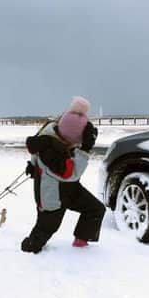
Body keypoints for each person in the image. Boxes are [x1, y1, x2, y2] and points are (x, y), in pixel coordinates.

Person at [21, 96, 105, 253]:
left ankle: (81, 244)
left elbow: (36, 153)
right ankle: (29, 251)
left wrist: (32, 164)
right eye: (76, 142)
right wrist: (85, 149)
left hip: (70, 189)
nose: (77, 145)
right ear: (67, 138)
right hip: (52, 196)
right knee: (46, 229)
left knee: (95, 209)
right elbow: (70, 174)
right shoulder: (49, 151)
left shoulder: (53, 131)